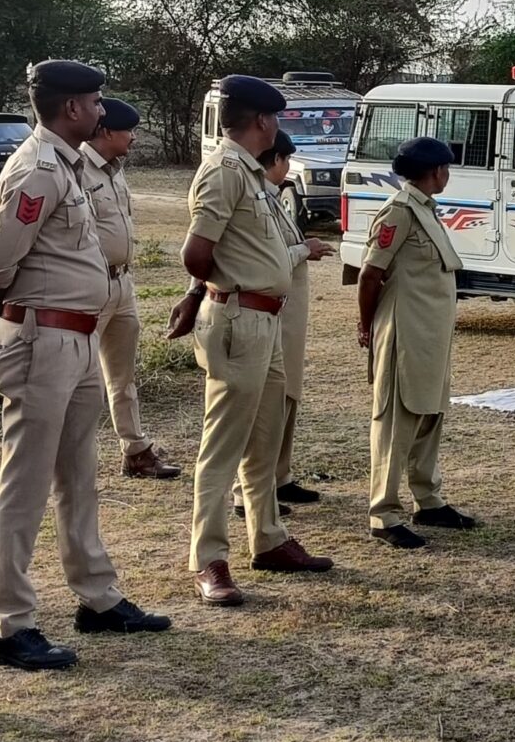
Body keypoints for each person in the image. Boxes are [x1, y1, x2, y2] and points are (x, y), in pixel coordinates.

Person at [0, 61, 169, 672]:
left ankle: (97, 597)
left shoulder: (68, 165)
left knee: (78, 474)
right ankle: (11, 623)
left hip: (76, 338)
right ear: (72, 108)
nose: (102, 111)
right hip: (41, 338)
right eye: (95, 102)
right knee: (25, 485)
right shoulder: (39, 169)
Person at [170, 75, 330, 608]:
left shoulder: (251, 173)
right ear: (262, 120)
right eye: (276, 117)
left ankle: (268, 537)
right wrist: (213, 289)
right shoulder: (223, 170)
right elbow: (197, 254)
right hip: (238, 318)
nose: (277, 125)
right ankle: (209, 558)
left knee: (264, 441)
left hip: (266, 321)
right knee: (223, 447)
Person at [356, 137, 477, 549]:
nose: (448, 174)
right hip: (404, 334)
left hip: (430, 336)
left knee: (429, 415)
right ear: (435, 171)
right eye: (446, 168)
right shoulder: (400, 212)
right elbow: (370, 274)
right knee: (397, 423)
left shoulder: (426, 209)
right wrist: (366, 325)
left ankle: (427, 499)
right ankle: (384, 514)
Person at [81, 98, 178, 481]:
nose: (134, 137)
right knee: (82, 377)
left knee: (122, 377)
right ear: (106, 132)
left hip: (122, 283)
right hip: (90, 285)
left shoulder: (115, 170)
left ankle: (135, 450)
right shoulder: (78, 169)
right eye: (128, 130)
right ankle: (75, 455)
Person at [257, 132, 335, 511]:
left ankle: (280, 475)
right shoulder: (257, 199)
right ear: (274, 160)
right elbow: (268, 259)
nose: (288, 167)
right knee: (271, 401)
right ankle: (256, 485)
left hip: (289, 314)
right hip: (274, 313)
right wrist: (306, 249)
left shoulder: (273, 198)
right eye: (285, 160)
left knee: (289, 395)